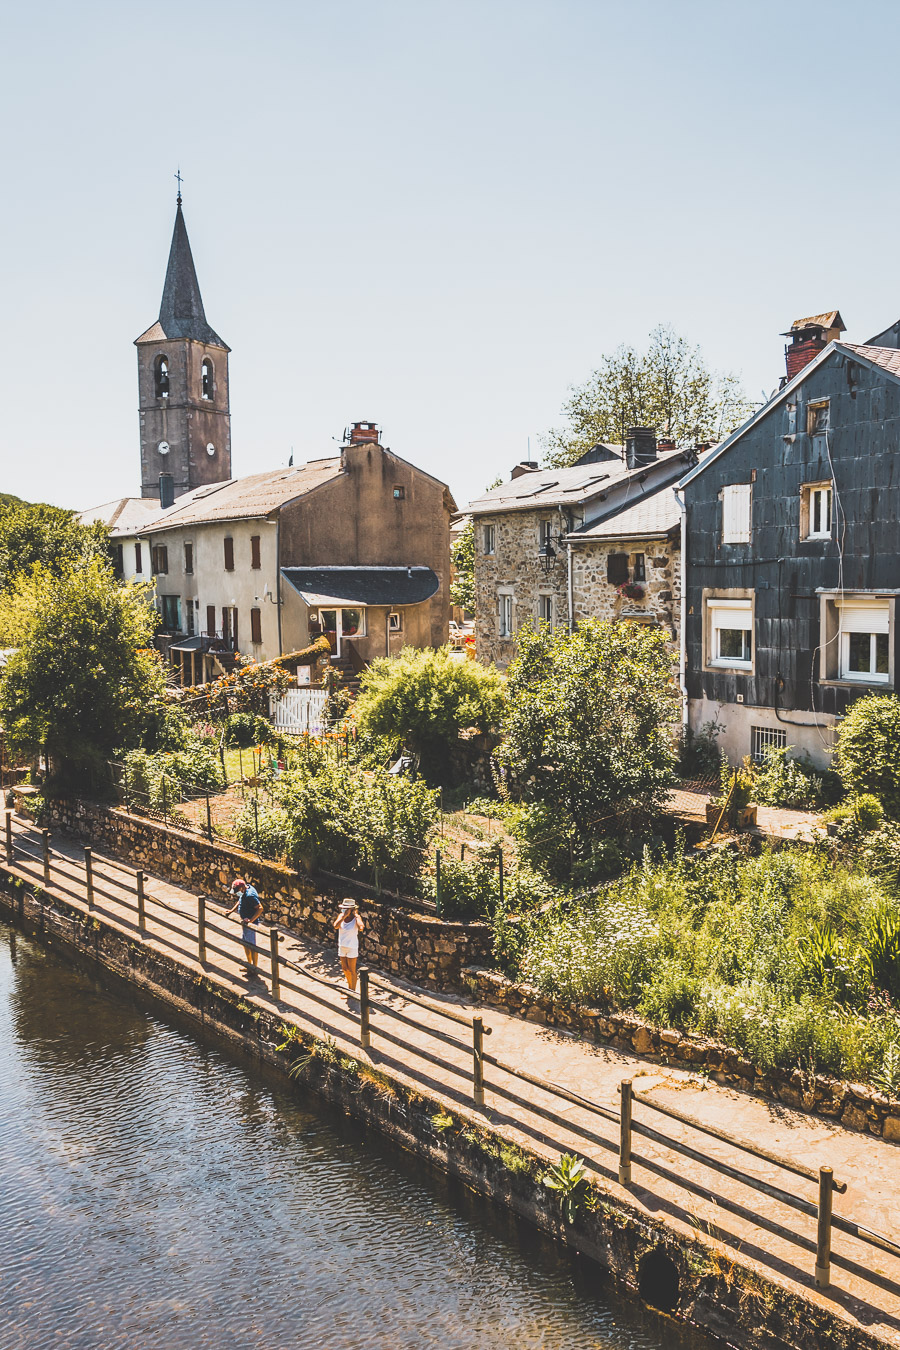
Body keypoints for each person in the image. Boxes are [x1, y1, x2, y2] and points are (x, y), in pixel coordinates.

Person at [226, 878, 264, 975]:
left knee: (252, 946)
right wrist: (231, 910)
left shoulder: (250, 896)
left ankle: (254, 968)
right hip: (245, 923)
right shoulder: (245, 890)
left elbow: (260, 908)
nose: (236, 893)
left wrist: (251, 921)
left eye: (237, 891)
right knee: (245, 943)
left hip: (250, 924)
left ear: (242, 888)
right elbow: (240, 901)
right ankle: (249, 965)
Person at [333, 898, 364, 992]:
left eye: (347, 909)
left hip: (352, 947)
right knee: (345, 968)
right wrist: (343, 916)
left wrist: (357, 916)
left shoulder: (356, 919)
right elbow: (335, 926)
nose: (344, 910)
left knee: (352, 970)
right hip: (342, 946)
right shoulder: (341, 916)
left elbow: (361, 928)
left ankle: (352, 990)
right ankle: (349, 986)